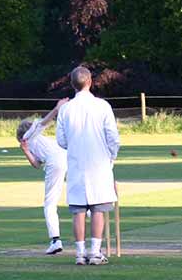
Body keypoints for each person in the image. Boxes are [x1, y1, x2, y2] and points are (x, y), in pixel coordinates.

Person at [56, 66, 121, 265]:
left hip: (76, 163)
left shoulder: (66, 108)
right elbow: (113, 136)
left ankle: (80, 253)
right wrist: (112, 156)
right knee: (98, 208)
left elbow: (61, 140)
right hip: (99, 163)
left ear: (72, 84)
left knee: (79, 210)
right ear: (91, 82)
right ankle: (94, 252)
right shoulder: (102, 106)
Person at [16, 98, 69, 255]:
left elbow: (44, 122)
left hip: (56, 162)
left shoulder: (28, 135)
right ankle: (91, 213)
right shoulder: (31, 142)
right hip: (67, 158)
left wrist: (57, 108)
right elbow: (37, 164)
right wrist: (25, 151)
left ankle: (55, 240)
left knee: (50, 204)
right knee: (75, 193)